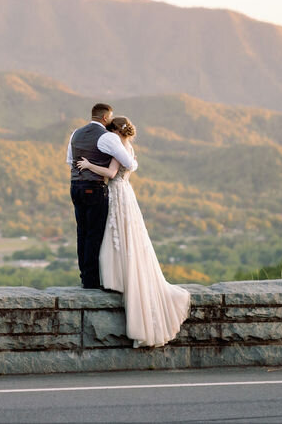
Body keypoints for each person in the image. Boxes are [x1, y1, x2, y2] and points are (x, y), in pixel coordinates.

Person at [76, 116, 190, 346]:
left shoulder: (119, 147)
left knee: (116, 234)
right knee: (125, 236)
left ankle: (117, 278)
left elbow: (110, 173)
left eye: (109, 130)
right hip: (126, 193)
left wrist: (89, 166)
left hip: (118, 193)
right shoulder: (128, 146)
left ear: (116, 130)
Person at [66, 103, 136, 290]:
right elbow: (129, 163)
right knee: (94, 234)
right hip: (94, 188)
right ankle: (91, 280)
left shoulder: (75, 134)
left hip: (75, 186)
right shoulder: (108, 137)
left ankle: (85, 276)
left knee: (82, 233)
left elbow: (69, 161)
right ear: (105, 118)